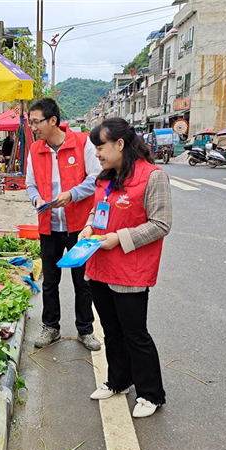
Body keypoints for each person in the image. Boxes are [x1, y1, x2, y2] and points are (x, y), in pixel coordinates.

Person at [79, 117, 171, 419]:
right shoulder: (105, 178)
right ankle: (118, 380)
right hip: (100, 264)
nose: (97, 153)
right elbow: (97, 209)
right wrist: (89, 227)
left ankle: (151, 393)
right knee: (111, 331)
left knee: (135, 333)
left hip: (130, 269)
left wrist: (118, 238)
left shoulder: (153, 177)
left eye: (101, 146)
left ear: (120, 144)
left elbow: (160, 224)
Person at [26, 97, 101, 352]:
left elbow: (97, 178)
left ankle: (85, 330)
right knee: (50, 281)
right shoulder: (35, 150)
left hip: (80, 226)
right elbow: (30, 183)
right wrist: (36, 199)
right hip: (49, 225)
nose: (33, 127)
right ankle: (51, 327)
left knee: (83, 281)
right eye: (31, 122)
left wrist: (72, 194)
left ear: (53, 121)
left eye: (36, 122)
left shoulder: (82, 143)